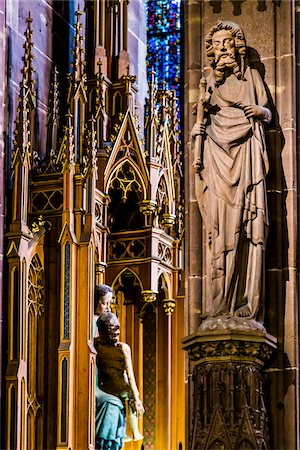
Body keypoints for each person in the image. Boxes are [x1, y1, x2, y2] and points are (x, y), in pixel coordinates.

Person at [191, 21, 271, 322]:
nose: (223, 48)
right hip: (215, 157)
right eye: (218, 44)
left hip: (245, 157)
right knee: (218, 228)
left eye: (228, 43)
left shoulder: (250, 77)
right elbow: (200, 124)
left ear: (237, 47)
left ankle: (243, 301)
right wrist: (197, 131)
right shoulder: (208, 82)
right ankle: (219, 303)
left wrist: (257, 111)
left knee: (246, 226)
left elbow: (267, 111)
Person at [95, 313, 145, 443]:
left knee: (129, 398)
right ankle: (133, 432)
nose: (115, 336)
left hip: (115, 387)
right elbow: (130, 376)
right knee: (129, 399)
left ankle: (133, 432)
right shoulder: (110, 347)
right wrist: (136, 398)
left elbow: (130, 375)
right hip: (111, 388)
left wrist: (137, 398)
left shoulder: (102, 345)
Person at [94, 285, 126, 450]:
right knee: (112, 403)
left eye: (109, 303)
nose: (107, 307)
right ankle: (104, 444)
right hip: (92, 380)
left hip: (104, 378)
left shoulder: (106, 321)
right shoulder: (93, 323)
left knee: (121, 399)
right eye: (104, 303)